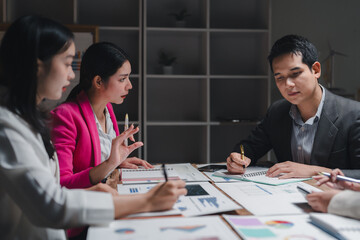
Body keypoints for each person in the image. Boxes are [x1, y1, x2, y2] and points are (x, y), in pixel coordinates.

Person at [0, 15, 187, 240]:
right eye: (68, 63)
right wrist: (146, 201)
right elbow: (52, 204)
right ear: (37, 66)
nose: (71, 74)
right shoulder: (8, 128)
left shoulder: (28, 120)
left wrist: (112, 168)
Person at [227, 34, 360, 179]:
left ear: (315, 70)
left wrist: (315, 171)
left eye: (295, 74)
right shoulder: (277, 111)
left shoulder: (353, 115)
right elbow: (249, 147)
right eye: (280, 77)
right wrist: (238, 158)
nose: (288, 84)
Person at [51, 42, 152, 192]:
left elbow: (97, 162)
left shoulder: (107, 108)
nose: (129, 86)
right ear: (98, 81)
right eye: (122, 79)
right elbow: (62, 183)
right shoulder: (65, 116)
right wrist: (110, 164)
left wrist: (117, 163)